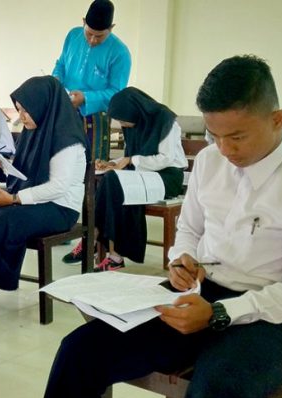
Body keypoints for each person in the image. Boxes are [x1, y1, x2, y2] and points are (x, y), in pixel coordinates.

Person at [34, 55, 282, 398]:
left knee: (216, 391)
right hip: (202, 294)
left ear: (277, 119)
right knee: (80, 351)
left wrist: (219, 313)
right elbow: (189, 229)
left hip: (276, 313)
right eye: (214, 136)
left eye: (237, 137)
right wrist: (182, 259)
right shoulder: (210, 161)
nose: (225, 149)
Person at [0, 76, 86, 322]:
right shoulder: (35, 131)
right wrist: (3, 164)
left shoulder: (67, 141)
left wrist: (14, 198)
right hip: (32, 199)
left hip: (59, 208)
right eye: (18, 110)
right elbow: (29, 170)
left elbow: (58, 186)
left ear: (43, 105)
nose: (21, 117)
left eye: (25, 110)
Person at [62, 87, 188, 271]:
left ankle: (93, 240)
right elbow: (131, 155)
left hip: (168, 177)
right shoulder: (135, 122)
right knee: (109, 179)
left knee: (115, 182)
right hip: (142, 174)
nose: (122, 124)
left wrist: (129, 161)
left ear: (135, 111)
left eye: (122, 120)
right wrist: (111, 163)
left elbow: (165, 159)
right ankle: (111, 254)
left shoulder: (166, 122)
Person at [53, 0, 131, 161]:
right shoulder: (73, 35)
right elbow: (61, 64)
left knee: (91, 165)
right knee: (60, 161)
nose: (93, 40)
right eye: (89, 34)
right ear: (83, 22)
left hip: (94, 118)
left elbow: (116, 93)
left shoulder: (120, 53)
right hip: (64, 110)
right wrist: (55, 79)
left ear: (111, 28)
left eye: (99, 36)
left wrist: (86, 98)